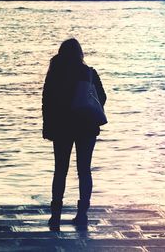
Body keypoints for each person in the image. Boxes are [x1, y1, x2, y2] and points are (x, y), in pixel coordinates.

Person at [42, 38, 107, 230]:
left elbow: (47, 101)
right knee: (84, 170)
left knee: (60, 170)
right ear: (80, 53)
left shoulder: (55, 73)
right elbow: (102, 97)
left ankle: (55, 214)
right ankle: (82, 213)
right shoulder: (88, 72)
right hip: (86, 126)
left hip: (62, 127)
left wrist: (48, 127)